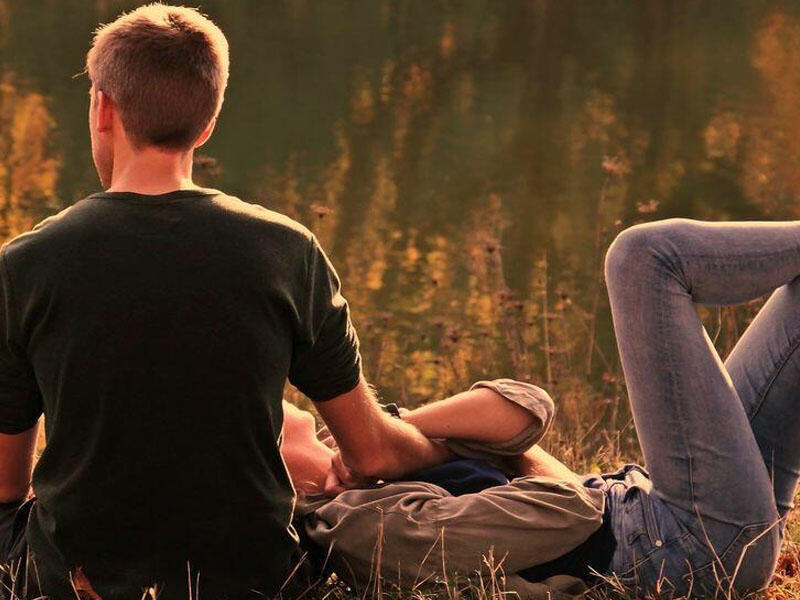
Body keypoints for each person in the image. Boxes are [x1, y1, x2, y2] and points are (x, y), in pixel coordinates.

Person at [0, 5, 452, 599]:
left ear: (103, 108)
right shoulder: (287, 250)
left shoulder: (27, 263)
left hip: (73, 581)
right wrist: (441, 446)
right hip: (257, 579)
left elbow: (5, 486)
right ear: (208, 124)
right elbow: (370, 455)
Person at [281, 219, 800, 599]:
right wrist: (448, 452)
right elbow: (570, 509)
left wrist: (388, 438)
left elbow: (526, 408)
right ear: (271, 467)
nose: (272, 400)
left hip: (678, 514)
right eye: (264, 418)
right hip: (688, 548)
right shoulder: (357, 528)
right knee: (643, 258)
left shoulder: (360, 456)